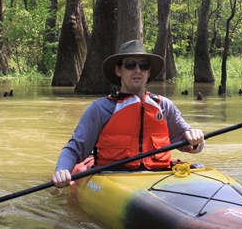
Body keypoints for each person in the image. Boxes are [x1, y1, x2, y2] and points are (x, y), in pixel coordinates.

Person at [52, 39, 205, 188]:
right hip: (113, 179)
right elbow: (75, 149)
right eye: (130, 65)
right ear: (119, 70)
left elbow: (191, 143)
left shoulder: (164, 106)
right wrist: (61, 170)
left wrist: (196, 138)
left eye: (143, 65)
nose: (137, 70)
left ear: (149, 72)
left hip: (158, 176)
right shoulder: (101, 108)